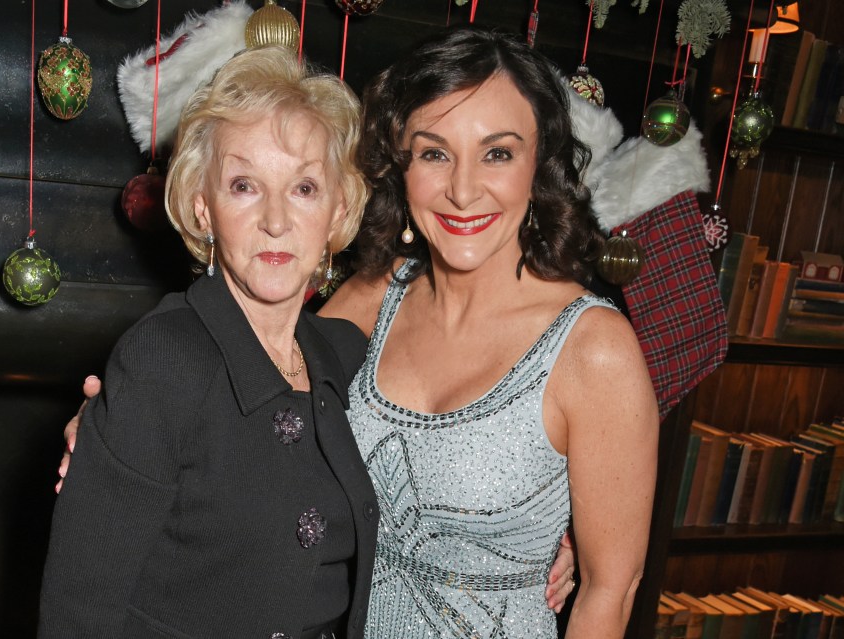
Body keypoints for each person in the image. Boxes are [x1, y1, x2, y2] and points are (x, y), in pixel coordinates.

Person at [57, 26, 657, 638]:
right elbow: (249, 387)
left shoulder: (593, 349)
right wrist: (118, 428)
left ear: (539, 165)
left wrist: (565, 530)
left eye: (498, 153)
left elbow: (611, 591)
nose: (464, 188)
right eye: (434, 152)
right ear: (402, 166)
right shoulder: (375, 297)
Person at [37, 45, 379, 639]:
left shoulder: (343, 356)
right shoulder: (163, 358)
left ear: (338, 209)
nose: (276, 220)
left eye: (303, 189)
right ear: (203, 207)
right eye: (244, 185)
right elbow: (78, 612)